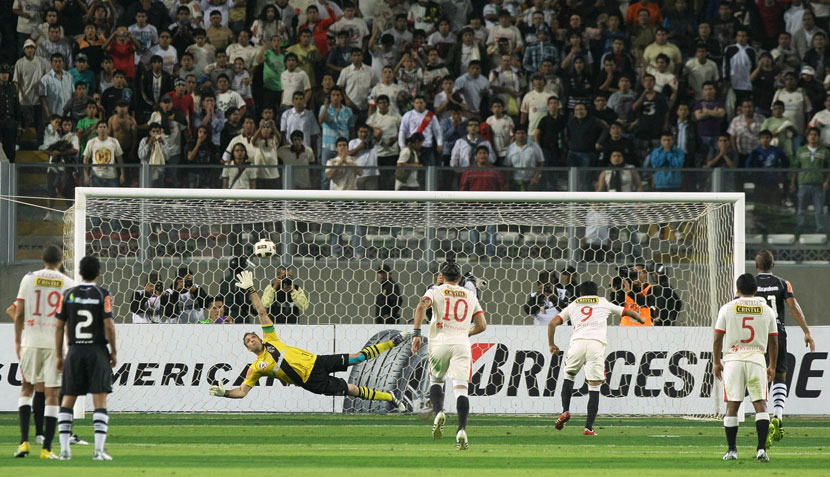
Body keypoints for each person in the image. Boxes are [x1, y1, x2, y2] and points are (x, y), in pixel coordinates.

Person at [208, 270, 408, 410]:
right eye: (249, 341)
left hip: (317, 361)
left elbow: (261, 311)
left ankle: (393, 342)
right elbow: (242, 392)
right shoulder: (257, 367)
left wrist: (251, 289)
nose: (252, 340)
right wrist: (224, 393)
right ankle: (390, 397)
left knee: (357, 357)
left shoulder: (271, 339)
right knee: (352, 389)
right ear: (249, 349)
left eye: (253, 337)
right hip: (311, 381)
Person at [411, 260, 487, 451]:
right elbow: (482, 325)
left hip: (439, 342)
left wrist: (417, 334)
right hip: (461, 344)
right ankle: (462, 430)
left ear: (442, 277)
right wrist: (464, 332)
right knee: (461, 389)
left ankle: (438, 413)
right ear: (460, 278)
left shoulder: (435, 290)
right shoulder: (470, 294)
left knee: (436, 380)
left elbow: (421, 307)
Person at [549, 281, 643, 436]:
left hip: (577, 344)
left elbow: (552, 324)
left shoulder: (573, 305)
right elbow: (627, 312)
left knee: (569, 376)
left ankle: (565, 411)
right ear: (596, 293)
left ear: (580, 294)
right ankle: (588, 428)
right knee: (594, 387)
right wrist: (641, 319)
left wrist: (552, 345)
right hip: (596, 345)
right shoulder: (603, 302)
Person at [12, 245, 75, 459]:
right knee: (52, 395)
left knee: (26, 389)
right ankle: (47, 449)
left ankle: (24, 443)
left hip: (31, 340)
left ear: (42, 258)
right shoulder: (68, 283)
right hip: (55, 344)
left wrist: (18, 340)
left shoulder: (28, 278)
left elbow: (18, 313)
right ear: (60, 261)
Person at [55, 255, 117, 461]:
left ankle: (65, 451)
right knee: (100, 399)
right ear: (99, 272)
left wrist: (60, 354)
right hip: (97, 350)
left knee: (68, 398)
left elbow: (59, 326)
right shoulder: (103, 294)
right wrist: (114, 351)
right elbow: (109, 325)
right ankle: (99, 451)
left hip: (74, 351)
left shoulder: (68, 294)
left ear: (79, 272)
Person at [753, 250, 816, 443]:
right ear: (773, 265)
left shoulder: (749, 283)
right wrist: (806, 331)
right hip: (777, 334)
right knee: (780, 375)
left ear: (756, 266)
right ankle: (778, 415)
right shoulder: (783, 283)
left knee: (760, 378)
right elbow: (793, 306)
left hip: (755, 335)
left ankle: (762, 417)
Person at [713, 273, 777, 463]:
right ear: (756, 290)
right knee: (760, 404)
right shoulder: (766, 310)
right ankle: (761, 450)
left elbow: (718, 337)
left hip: (733, 359)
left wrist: (717, 362)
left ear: (737, 290)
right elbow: (774, 341)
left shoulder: (727, 308)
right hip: (757, 359)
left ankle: (732, 450)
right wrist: (772, 365)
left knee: (732, 405)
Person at [791, 127, 830, 233]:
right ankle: (800, 227)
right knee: (801, 209)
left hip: (818, 184)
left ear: (818, 137)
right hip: (803, 183)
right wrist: (793, 182)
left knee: (819, 209)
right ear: (807, 137)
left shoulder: (824, 151)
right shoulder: (801, 150)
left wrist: (827, 181)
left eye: (815, 134)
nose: (813, 136)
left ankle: (820, 228)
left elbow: (828, 169)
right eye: (811, 134)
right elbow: (796, 167)